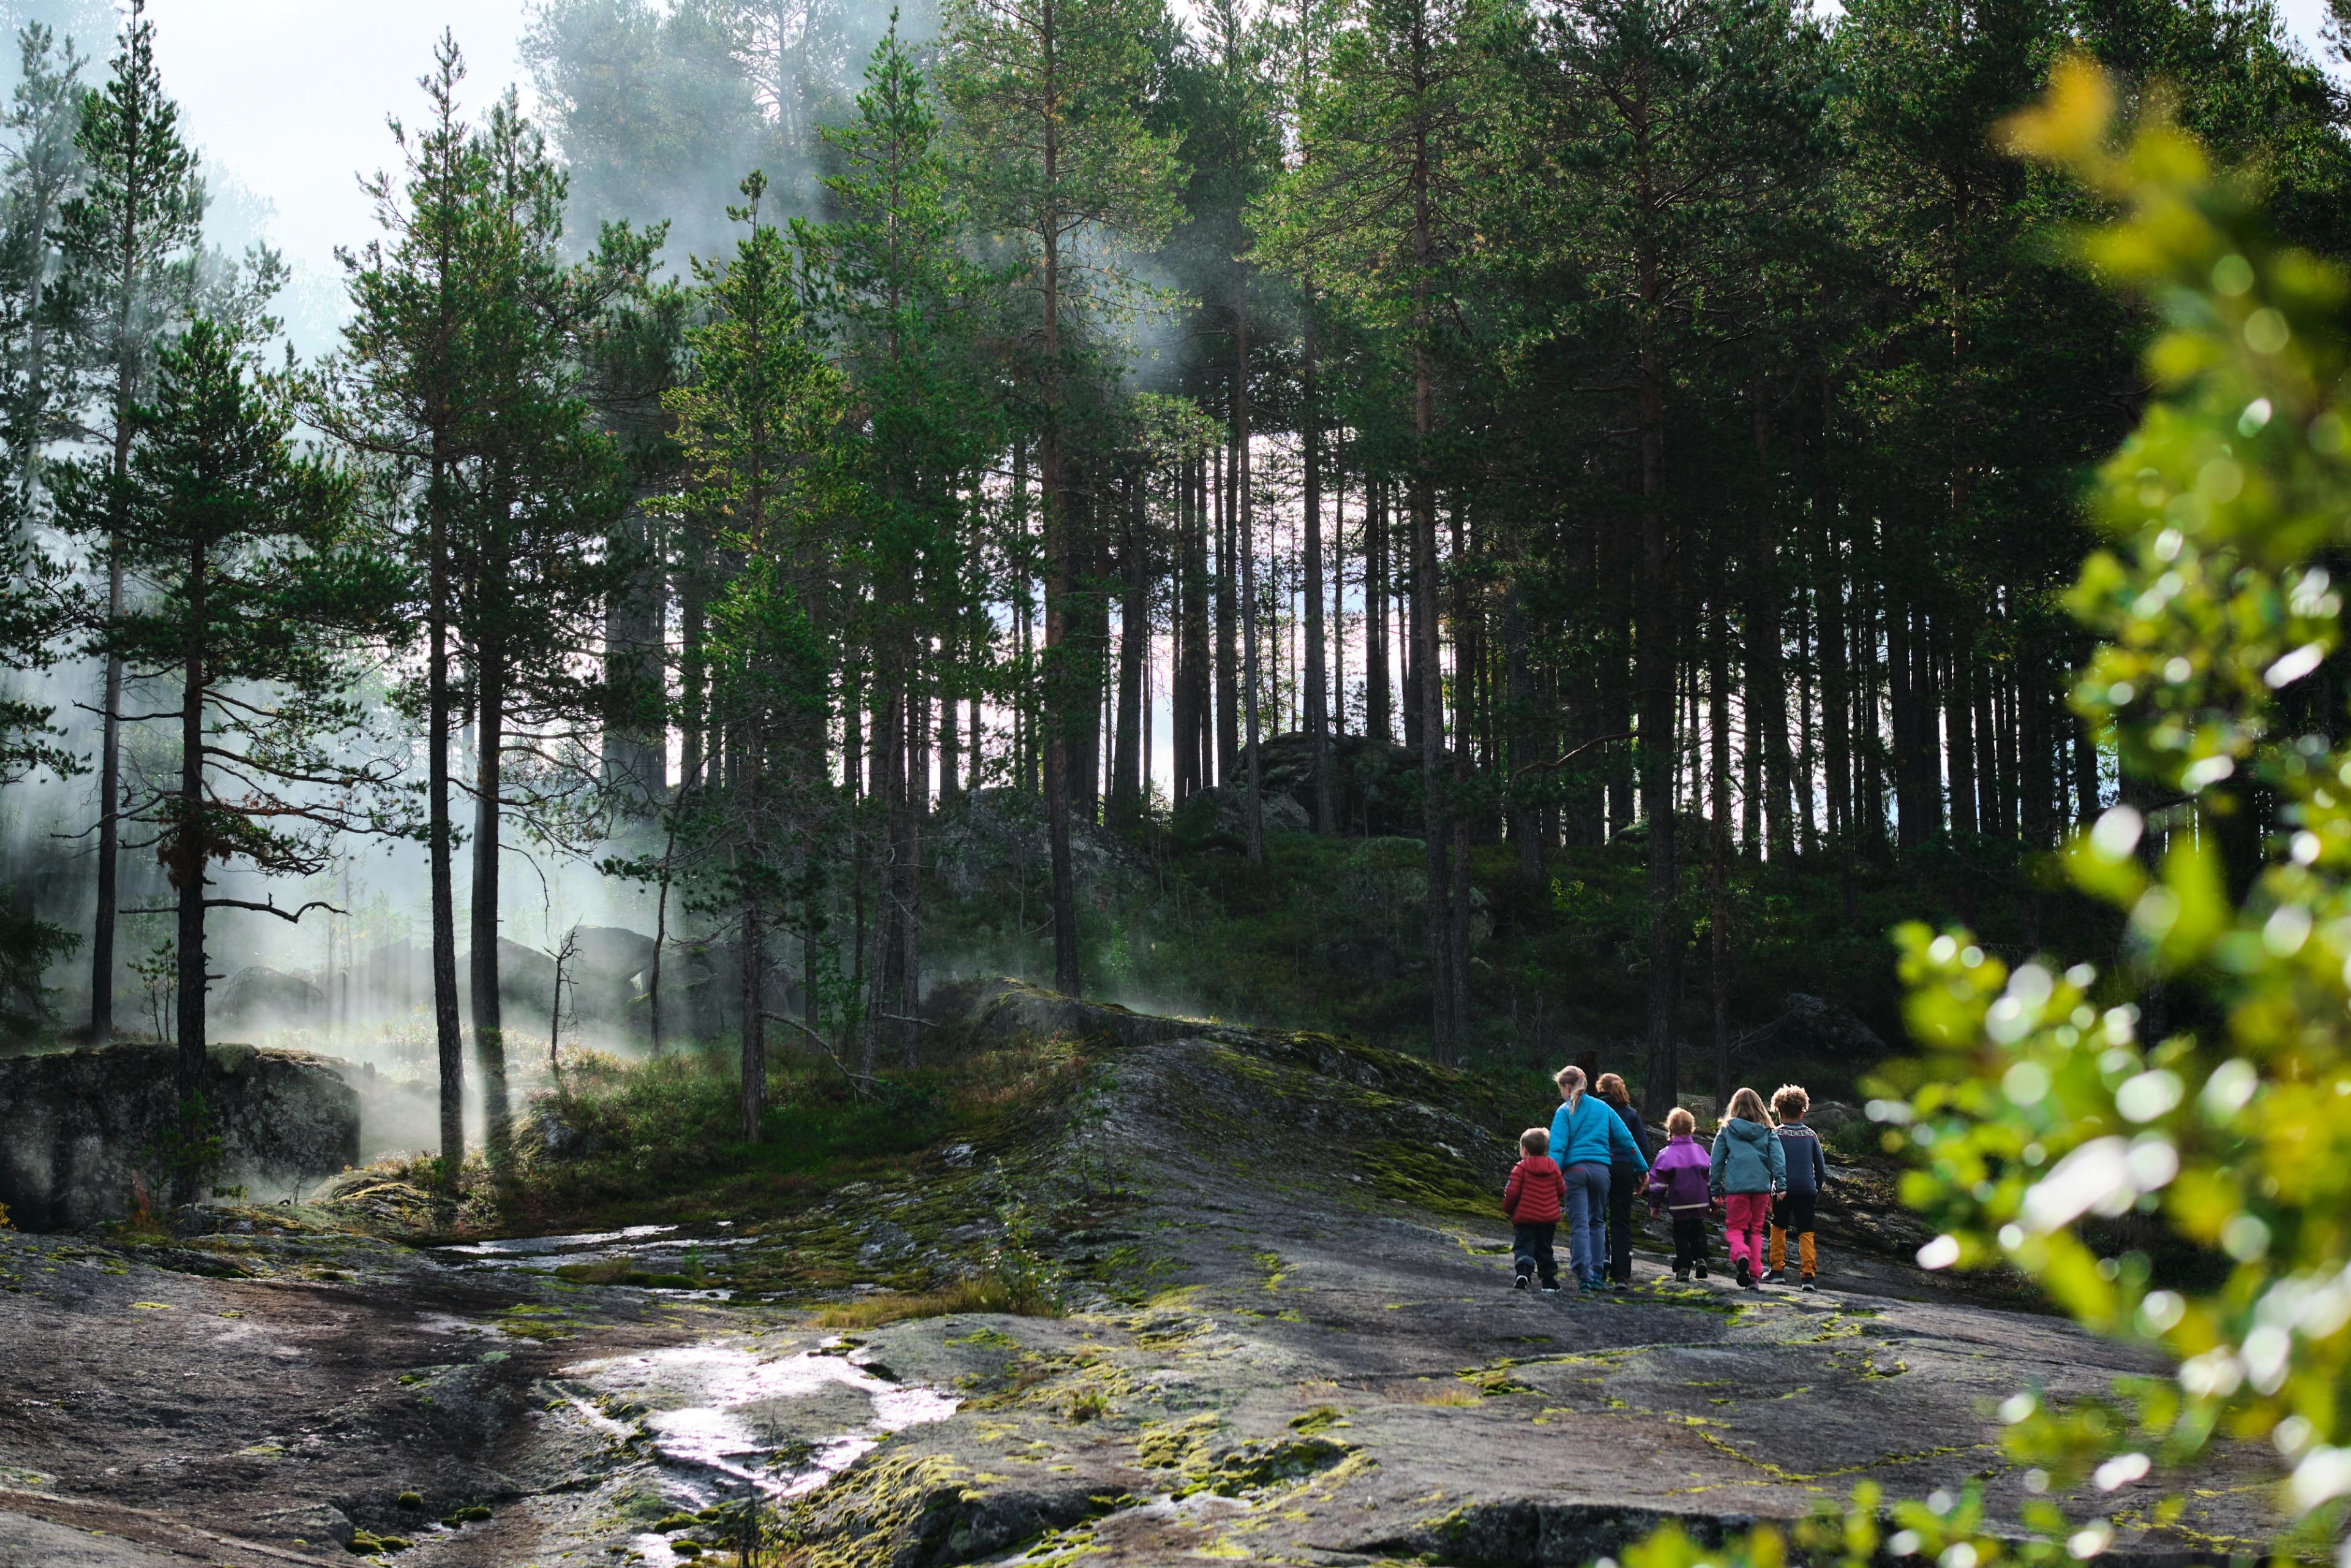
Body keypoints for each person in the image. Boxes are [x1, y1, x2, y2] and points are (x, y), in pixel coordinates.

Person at [1548, 1065, 1649, 1291]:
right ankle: (1596, 1273)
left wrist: (1550, 1177)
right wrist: (1642, 1170)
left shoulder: (1564, 1112)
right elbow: (1627, 1140)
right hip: (1602, 1172)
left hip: (1575, 1172)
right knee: (1597, 1222)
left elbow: (1558, 1149)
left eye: (1561, 1089)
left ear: (1566, 1087)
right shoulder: (1603, 1108)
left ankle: (1584, 1276)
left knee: (1580, 1223)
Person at [1708, 1086, 1785, 1289]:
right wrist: (1781, 1183)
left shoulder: (1726, 1130)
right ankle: (1754, 1277)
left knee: (1736, 1228)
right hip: (1761, 1189)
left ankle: (1741, 1253)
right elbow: (1778, 1159)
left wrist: (1714, 1190)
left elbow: (1716, 1162)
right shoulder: (1768, 1132)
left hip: (1737, 1188)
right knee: (1756, 1231)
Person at [1765, 1084, 1831, 1291]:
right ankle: (1808, 1277)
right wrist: (1816, 1189)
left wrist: (1769, 1190)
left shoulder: (1775, 1134)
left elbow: (1769, 1165)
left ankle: (1776, 1271)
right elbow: (1820, 1168)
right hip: (1806, 1191)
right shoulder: (1811, 1135)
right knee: (1806, 1231)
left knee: (1778, 1228)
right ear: (1803, 1112)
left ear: (1779, 1111)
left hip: (1781, 1191)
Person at [1595, 1073, 1654, 1286]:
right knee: (1621, 1221)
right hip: (1623, 1170)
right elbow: (1641, 1147)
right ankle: (1621, 1275)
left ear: (1600, 1089)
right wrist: (1641, 1175)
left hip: (1599, 1166)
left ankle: (1600, 1262)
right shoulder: (1631, 1114)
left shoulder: (1594, 1110)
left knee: (1597, 1217)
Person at [1645, 1106, 1713, 1281]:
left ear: (1670, 1129)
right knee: (1698, 1228)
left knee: (1681, 1233)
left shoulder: (1666, 1154)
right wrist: (1712, 1199)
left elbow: (1658, 1184)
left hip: (1679, 1201)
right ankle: (1700, 1258)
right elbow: (1710, 1177)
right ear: (1692, 1129)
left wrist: (1654, 1204)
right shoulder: (1700, 1151)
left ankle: (1683, 1267)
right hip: (1700, 1200)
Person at [1502, 1127, 1567, 1292]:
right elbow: (1562, 1190)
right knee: (1545, 1248)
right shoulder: (1553, 1166)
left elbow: (1512, 1192)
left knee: (1524, 1245)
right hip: (1548, 1220)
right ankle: (1548, 1281)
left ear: (1524, 1149)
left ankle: (1523, 1274)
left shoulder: (1521, 1168)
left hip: (1525, 1218)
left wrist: (1509, 1211)